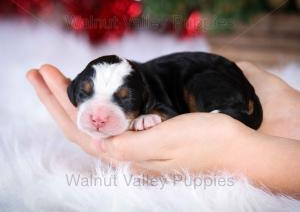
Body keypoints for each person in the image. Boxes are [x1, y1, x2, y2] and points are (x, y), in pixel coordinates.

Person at [26, 61, 300, 198]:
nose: (97, 117)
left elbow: (164, 108)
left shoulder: (150, 91)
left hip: (208, 76)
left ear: (143, 98)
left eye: (122, 99)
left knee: (199, 86)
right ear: (74, 92)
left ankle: (229, 112)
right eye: (85, 95)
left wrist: (232, 148)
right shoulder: (136, 81)